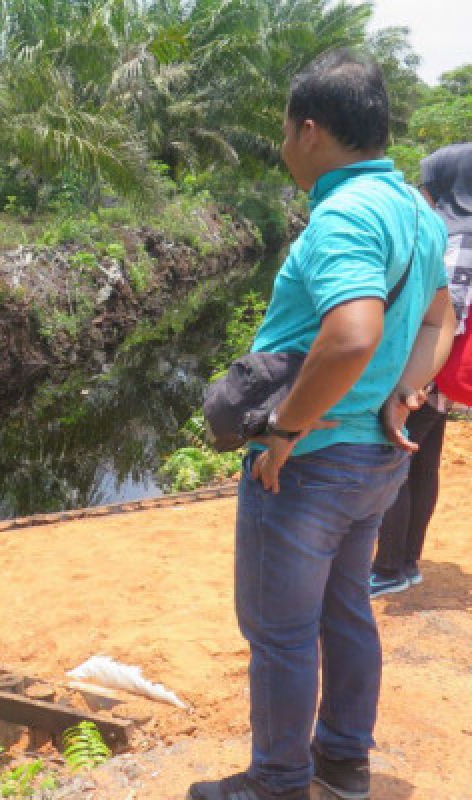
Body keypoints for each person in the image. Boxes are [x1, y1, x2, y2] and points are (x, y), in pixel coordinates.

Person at [189, 50, 454, 800]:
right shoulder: (412, 207)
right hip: (375, 461)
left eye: (282, 129)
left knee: (279, 632)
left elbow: (351, 334)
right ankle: (343, 762)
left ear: (309, 130)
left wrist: (282, 430)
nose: (282, 144)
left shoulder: (344, 213)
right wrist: (405, 393)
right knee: (344, 611)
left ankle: (277, 780)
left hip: (310, 465)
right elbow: (442, 316)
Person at [370, 142, 472, 597]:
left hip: (430, 373)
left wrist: (410, 381)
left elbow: (445, 319)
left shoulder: (454, 239)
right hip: (448, 380)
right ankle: (406, 561)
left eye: (429, 187)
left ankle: (390, 567)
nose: (425, 196)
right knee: (422, 464)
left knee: (393, 464)